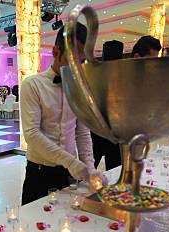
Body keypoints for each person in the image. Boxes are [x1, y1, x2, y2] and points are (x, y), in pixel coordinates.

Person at [19, 23, 102, 205]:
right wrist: (71, 162)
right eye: (73, 61)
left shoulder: (80, 88)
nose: (78, 68)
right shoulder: (32, 85)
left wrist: (90, 167)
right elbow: (32, 134)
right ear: (56, 52)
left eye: (82, 62)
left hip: (69, 176)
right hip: (39, 173)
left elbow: (82, 132)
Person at [92, 40, 123, 171]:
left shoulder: (95, 75)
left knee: (87, 173)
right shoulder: (123, 77)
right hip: (113, 133)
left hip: (97, 131)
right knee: (114, 172)